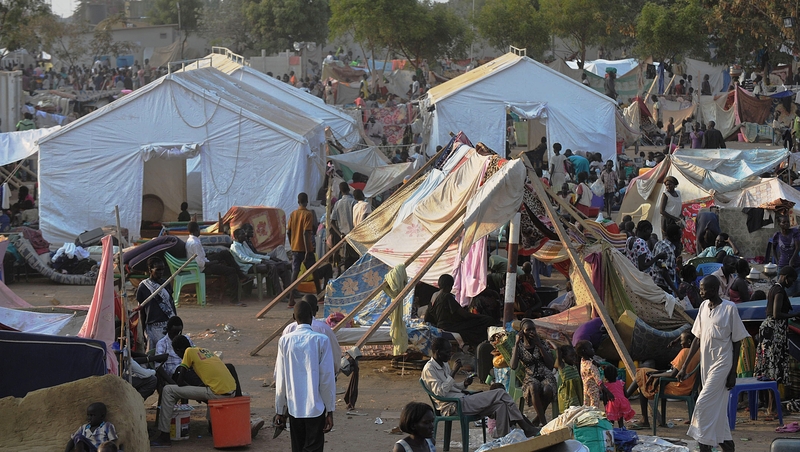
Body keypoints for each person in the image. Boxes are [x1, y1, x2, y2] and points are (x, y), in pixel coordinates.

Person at [677, 276, 749, 452]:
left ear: (716, 289)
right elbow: (697, 339)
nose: (701, 293)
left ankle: (705, 448)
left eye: (705, 289)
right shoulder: (702, 307)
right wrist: (684, 367)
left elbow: (737, 341)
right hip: (706, 366)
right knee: (717, 415)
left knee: (702, 404)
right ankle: (727, 446)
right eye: (700, 289)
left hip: (723, 364)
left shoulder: (729, 308)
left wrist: (733, 373)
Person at [421, 337, 538, 438]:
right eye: (447, 352)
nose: (449, 354)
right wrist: (453, 372)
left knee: (501, 406)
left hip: (463, 399)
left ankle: (504, 439)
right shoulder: (430, 369)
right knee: (500, 393)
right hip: (453, 405)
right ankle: (525, 425)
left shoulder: (443, 364)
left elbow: (451, 386)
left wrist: (464, 384)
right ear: (437, 351)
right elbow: (440, 392)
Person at [152, 335, 238, 447]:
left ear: (178, 350)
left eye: (177, 353)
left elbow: (180, 381)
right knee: (208, 389)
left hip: (217, 394)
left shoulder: (188, 352)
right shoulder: (204, 350)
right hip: (231, 391)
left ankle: (164, 436)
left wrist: (187, 386)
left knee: (168, 390)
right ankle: (213, 427)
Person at [274, 300, 336, 452]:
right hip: (316, 407)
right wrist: (330, 410)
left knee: (298, 447)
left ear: (294, 317)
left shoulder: (285, 341)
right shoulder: (321, 340)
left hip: (294, 408)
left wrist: (280, 410)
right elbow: (327, 378)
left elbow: (280, 378)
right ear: (312, 316)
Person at [627, 331, 700, 429]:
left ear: (690, 342)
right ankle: (627, 396)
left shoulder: (685, 352)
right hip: (687, 387)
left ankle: (630, 401)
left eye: (682, 342)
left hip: (676, 387)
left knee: (642, 375)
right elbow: (673, 371)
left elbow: (673, 374)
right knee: (644, 375)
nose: (681, 344)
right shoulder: (698, 352)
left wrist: (654, 376)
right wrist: (656, 373)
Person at [755, 267, 800, 413]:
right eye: (792, 279)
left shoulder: (774, 288)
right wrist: (794, 315)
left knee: (769, 369)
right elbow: (776, 314)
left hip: (769, 331)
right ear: (786, 277)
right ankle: (772, 407)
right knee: (775, 369)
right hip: (775, 331)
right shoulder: (780, 291)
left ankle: (770, 405)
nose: (792, 283)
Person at [424, 274, 501, 348]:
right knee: (486, 320)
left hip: (441, 325)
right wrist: (480, 317)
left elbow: (427, 316)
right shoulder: (447, 296)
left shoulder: (434, 296)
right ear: (449, 285)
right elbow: (465, 315)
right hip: (449, 327)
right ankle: (481, 345)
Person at [185, 221, 247, 306]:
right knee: (231, 271)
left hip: (204, 261)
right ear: (196, 230)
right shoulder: (195, 243)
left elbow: (200, 257)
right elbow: (200, 263)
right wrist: (213, 262)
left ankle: (241, 275)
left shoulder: (191, 240)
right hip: (202, 268)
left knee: (224, 253)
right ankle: (234, 300)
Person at [510, 319, 556, 426]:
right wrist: (516, 344)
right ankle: (544, 422)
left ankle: (538, 419)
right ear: (522, 332)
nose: (532, 332)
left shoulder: (542, 342)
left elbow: (550, 364)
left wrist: (539, 345)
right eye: (528, 330)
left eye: (533, 329)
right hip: (530, 376)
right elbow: (513, 366)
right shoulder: (519, 347)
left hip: (545, 374)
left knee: (548, 389)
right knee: (533, 387)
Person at [282, 294, 341, 375]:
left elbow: (282, 359)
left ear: (294, 316)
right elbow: (335, 354)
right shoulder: (324, 330)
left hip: (293, 376)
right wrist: (335, 371)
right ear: (316, 309)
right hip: (318, 376)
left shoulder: (288, 330)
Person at [136, 257, 177, 351]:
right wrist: (142, 331)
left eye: (162, 269)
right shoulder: (143, 286)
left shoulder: (166, 283)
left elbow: (171, 304)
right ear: (150, 270)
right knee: (155, 353)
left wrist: (175, 321)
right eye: (158, 270)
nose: (161, 272)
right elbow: (141, 311)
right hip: (153, 326)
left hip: (168, 324)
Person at [287, 193, 321, 303]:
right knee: (313, 271)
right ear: (306, 201)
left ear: (298, 202)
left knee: (295, 272)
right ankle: (320, 295)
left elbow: (289, 231)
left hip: (295, 247)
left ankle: (291, 298)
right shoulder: (308, 214)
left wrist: (292, 243)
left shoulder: (293, 214)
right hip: (306, 249)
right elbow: (306, 233)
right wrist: (307, 251)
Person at [575, 340, 613, 411]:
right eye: (591, 348)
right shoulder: (591, 366)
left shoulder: (583, 361)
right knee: (594, 411)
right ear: (585, 350)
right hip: (594, 392)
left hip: (586, 390)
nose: (593, 350)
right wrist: (608, 392)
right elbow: (599, 382)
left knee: (586, 410)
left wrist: (597, 365)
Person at [330, 182, 358, 269]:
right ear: (349, 189)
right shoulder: (354, 202)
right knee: (356, 262)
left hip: (344, 237)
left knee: (347, 262)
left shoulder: (337, 204)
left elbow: (332, 221)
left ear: (341, 191)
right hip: (354, 236)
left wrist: (339, 234)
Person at [771, 215, 800, 296]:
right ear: (779, 224)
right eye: (784, 222)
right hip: (783, 266)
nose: (786, 224)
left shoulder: (794, 233)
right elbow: (773, 249)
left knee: (798, 289)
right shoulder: (777, 235)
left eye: (788, 222)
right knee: (784, 290)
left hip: (796, 265)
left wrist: (792, 259)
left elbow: (798, 247)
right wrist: (777, 261)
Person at [652, 224, 682, 295]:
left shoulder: (659, 243)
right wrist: (676, 291)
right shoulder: (669, 250)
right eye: (680, 235)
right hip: (664, 286)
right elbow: (664, 272)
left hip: (655, 281)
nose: (681, 237)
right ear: (675, 237)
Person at [554, 344, 582, 412]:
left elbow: (571, 346)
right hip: (567, 395)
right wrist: (549, 341)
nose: (574, 358)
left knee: (578, 410)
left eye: (574, 356)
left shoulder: (573, 365)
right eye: (571, 356)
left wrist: (566, 336)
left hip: (576, 392)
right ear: (564, 357)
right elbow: (557, 349)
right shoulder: (562, 366)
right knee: (569, 411)